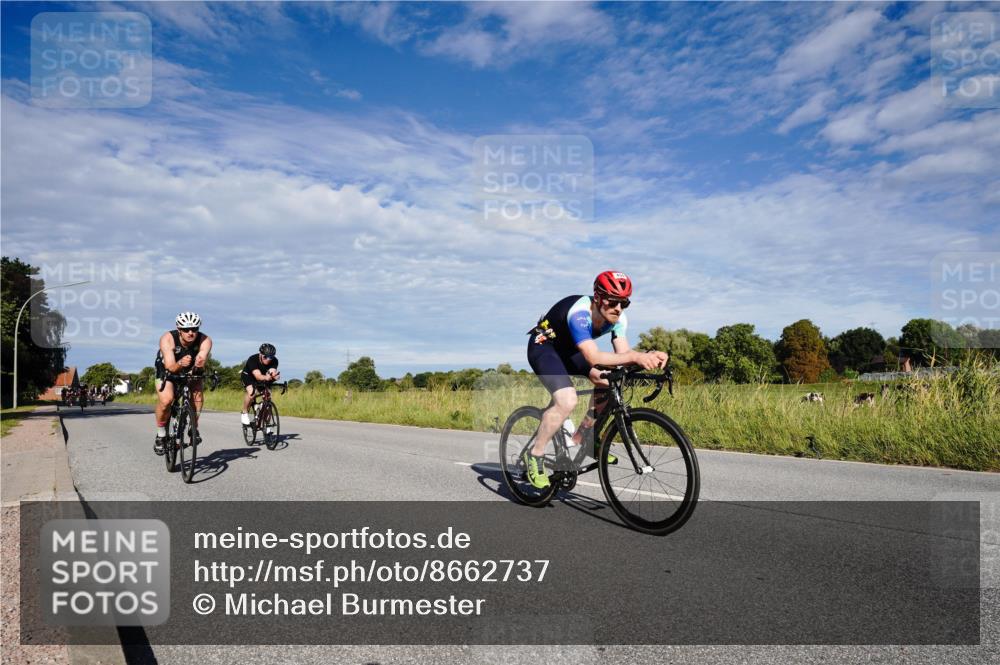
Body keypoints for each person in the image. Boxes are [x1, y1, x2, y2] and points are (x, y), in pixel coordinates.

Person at [523, 271, 668, 489]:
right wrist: (636, 357)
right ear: (598, 298)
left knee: (607, 383)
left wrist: (649, 356)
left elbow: (623, 355)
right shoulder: (580, 313)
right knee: (567, 400)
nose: (618, 308)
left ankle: (586, 437)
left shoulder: (619, 319)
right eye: (613, 301)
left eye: (624, 303)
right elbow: (593, 357)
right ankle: (535, 455)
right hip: (545, 347)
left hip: (572, 351)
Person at [153, 312, 213, 455]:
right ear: (179, 329)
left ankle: (193, 427)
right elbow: (170, 367)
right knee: (167, 400)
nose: (191, 332)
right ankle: (161, 434)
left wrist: (198, 365)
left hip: (189, 369)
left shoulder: (205, 340)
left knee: (197, 395)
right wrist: (180, 363)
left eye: (194, 329)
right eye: (186, 329)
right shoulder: (167, 338)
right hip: (167, 368)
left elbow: (201, 360)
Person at [240, 343, 281, 425]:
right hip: (249, 376)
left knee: (268, 395)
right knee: (252, 393)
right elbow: (258, 376)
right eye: (265, 357)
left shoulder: (274, 360)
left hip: (263, 376)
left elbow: (271, 372)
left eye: (271, 357)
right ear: (260, 354)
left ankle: (266, 422)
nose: (268, 359)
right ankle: (244, 412)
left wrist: (274, 376)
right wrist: (267, 377)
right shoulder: (253, 359)